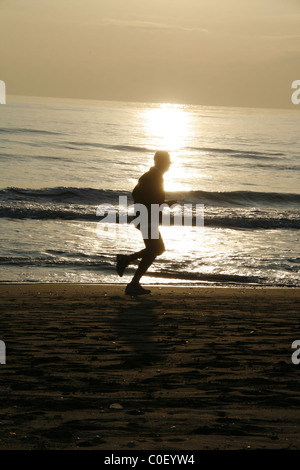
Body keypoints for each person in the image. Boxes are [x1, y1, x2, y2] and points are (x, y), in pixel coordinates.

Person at [116, 151, 176, 295]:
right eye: (167, 163)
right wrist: (164, 204)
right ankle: (130, 273)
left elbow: (136, 193)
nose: (168, 166)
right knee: (157, 248)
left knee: (156, 249)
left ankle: (130, 271)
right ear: (160, 162)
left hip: (145, 217)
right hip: (146, 217)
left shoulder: (151, 176)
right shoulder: (154, 177)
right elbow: (147, 197)